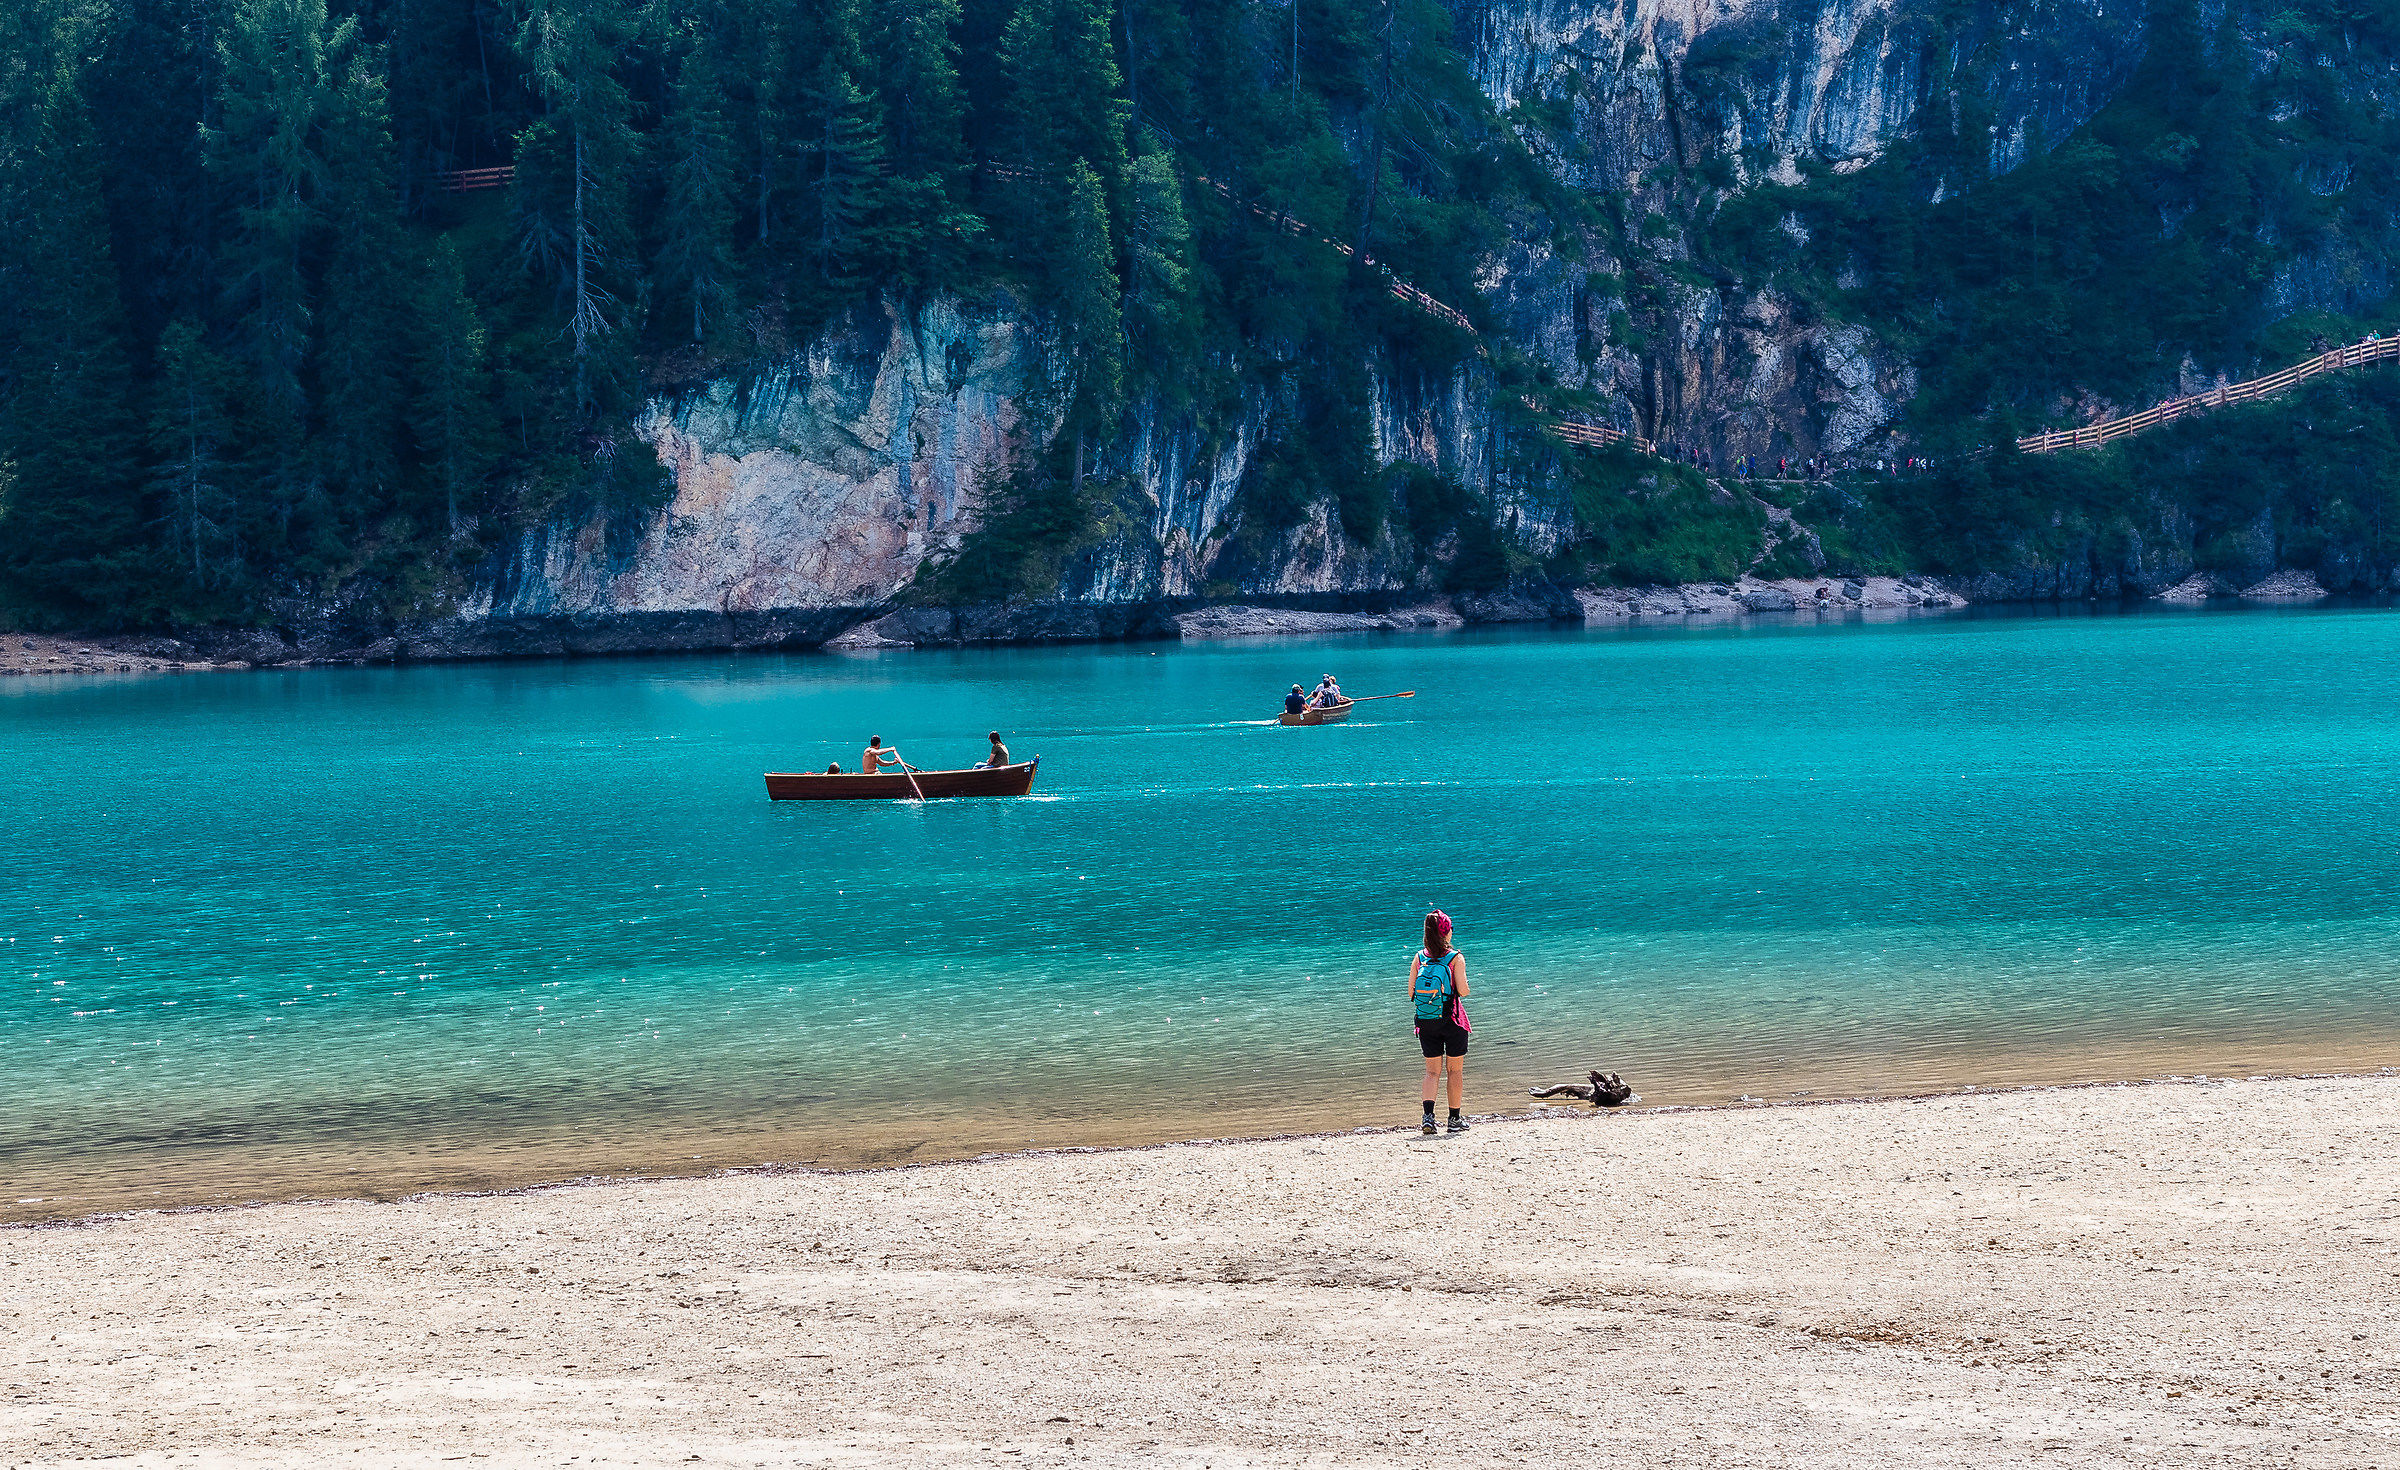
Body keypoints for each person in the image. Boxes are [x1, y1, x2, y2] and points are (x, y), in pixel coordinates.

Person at [1409, 910, 1471, 1135]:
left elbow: (1410, 993)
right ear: (1446, 932)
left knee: (1431, 1072)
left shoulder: (1419, 957)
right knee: (1454, 1071)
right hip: (1453, 1021)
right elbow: (1462, 991)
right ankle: (1454, 1120)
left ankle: (1428, 1118)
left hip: (1426, 1022)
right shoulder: (1455, 958)